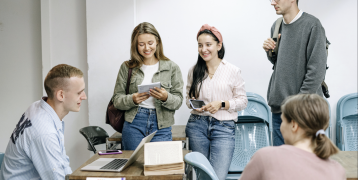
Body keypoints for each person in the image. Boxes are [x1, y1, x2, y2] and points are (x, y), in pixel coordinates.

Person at [0, 64, 87, 180]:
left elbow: (62, 163)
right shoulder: (45, 132)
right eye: (79, 93)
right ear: (61, 95)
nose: (84, 97)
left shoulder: (38, 106)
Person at [185, 24, 248, 180]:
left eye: (208, 45)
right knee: (202, 176)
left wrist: (221, 104)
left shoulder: (233, 70)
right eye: (200, 45)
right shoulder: (194, 70)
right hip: (197, 126)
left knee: (217, 177)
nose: (203, 49)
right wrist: (192, 102)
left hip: (224, 128)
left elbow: (242, 101)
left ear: (219, 45)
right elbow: (187, 99)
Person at [263, 0, 328, 146]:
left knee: (306, 163)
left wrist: (298, 105)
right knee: (281, 163)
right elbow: (281, 64)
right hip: (279, 108)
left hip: (304, 110)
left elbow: (317, 70)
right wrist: (270, 52)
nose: (272, 2)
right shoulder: (276, 26)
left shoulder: (312, 25)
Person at [112, 22, 184, 150]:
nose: (146, 48)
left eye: (150, 43)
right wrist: (132, 99)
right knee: (133, 167)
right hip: (134, 123)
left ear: (157, 42)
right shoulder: (127, 67)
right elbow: (117, 100)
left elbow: (178, 101)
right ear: (135, 45)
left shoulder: (172, 67)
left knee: (159, 167)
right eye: (141, 44)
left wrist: (166, 97)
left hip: (161, 125)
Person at [240, 94, 346, 180]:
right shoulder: (337, 170)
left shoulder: (265, 157)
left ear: (294, 125)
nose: (281, 127)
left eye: (283, 121)